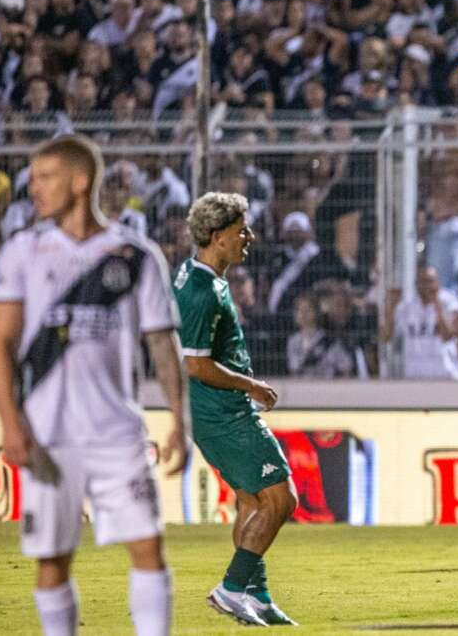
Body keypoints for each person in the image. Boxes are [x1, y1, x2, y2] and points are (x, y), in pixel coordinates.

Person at [0, 135, 189, 636]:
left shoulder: (135, 255)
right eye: (32, 179)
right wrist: (11, 425)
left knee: (147, 546)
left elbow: (163, 345)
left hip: (116, 432)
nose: (33, 189)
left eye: (45, 177)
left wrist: (178, 422)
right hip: (46, 434)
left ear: (80, 181)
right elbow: (0, 346)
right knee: (52, 560)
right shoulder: (21, 251)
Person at [173, 191, 299, 627]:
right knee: (282, 498)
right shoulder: (204, 291)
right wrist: (252, 385)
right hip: (223, 413)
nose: (250, 236)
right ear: (215, 235)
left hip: (212, 412)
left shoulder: (197, 275)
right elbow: (197, 364)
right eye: (240, 229)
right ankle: (231, 587)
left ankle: (257, 596)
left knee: (252, 501)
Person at [381, 265, 458, 379]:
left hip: (446, 374)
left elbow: (448, 336)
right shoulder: (407, 307)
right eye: (422, 282)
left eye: (430, 281)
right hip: (416, 375)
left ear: (437, 282)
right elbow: (386, 336)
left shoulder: (450, 302)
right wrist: (391, 308)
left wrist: (437, 306)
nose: (427, 286)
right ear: (416, 284)